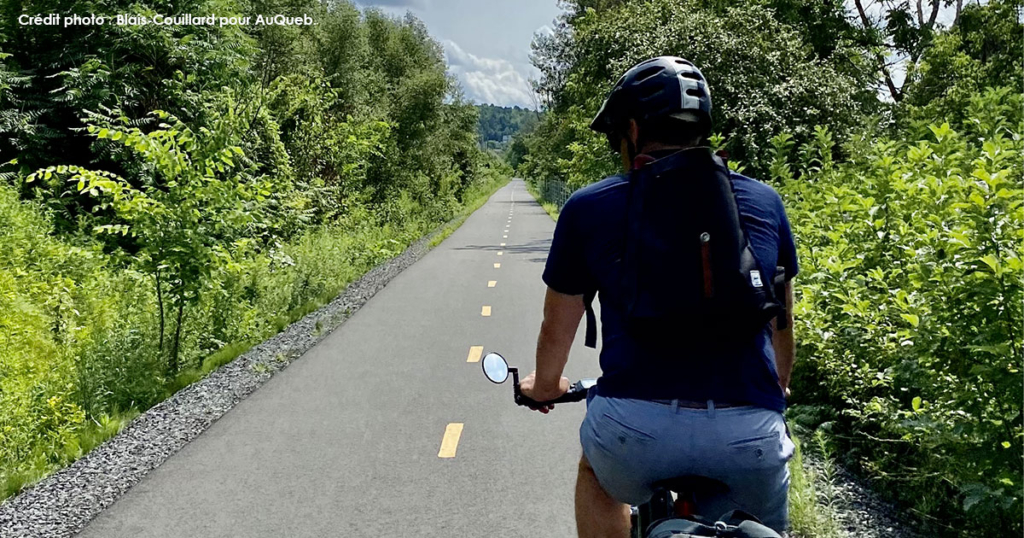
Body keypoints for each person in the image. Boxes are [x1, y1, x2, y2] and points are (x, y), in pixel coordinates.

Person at [519, 56, 798, 538]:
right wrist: (779, 387)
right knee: (764, 524)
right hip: (748, 435)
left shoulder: (589, 207)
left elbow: (555, 330)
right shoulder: (764, 202)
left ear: (631, 130)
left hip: (634, 430)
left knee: (598, 478)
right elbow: (782, 323)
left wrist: (545, 388)